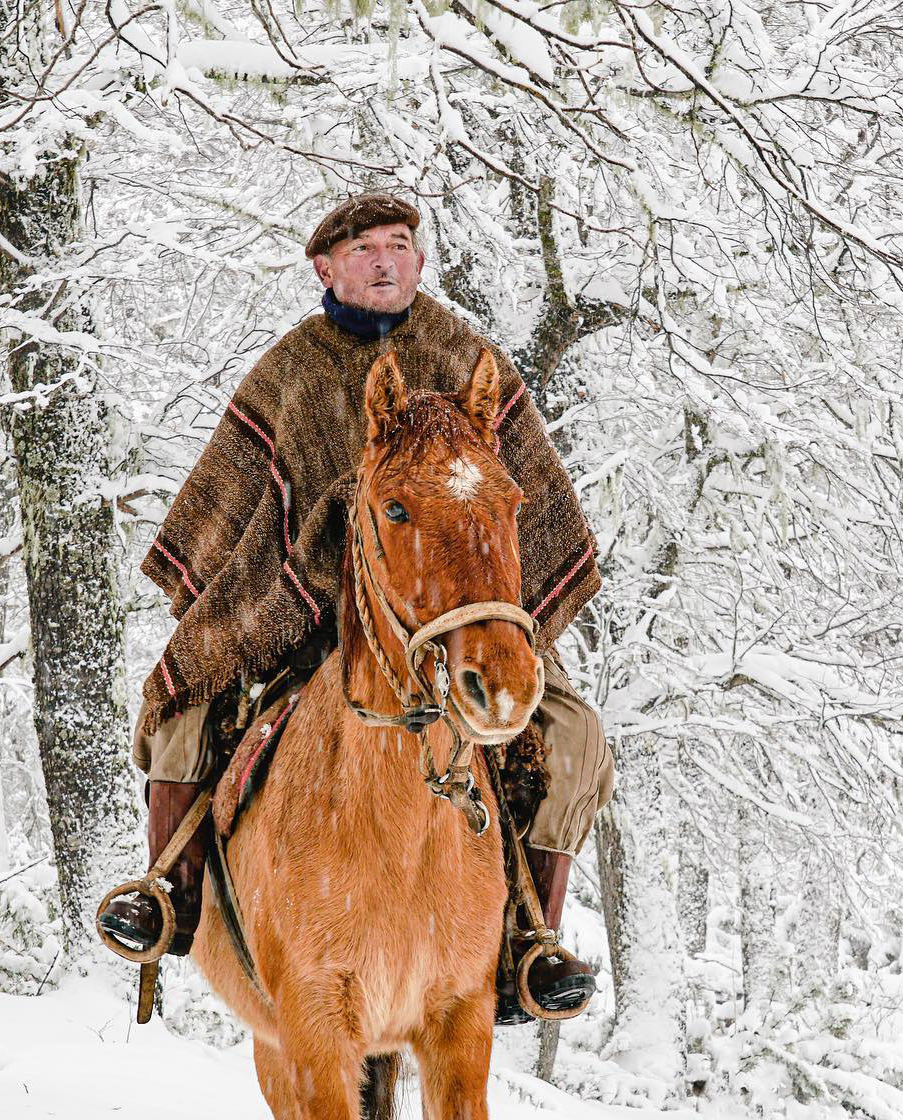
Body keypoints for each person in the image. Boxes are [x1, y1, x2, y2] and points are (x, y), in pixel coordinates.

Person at [97, 193, 613, 1024]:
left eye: (399, 246)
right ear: (326, 267)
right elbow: (229, 505)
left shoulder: (465, 357)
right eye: (365, 248)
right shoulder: (290, 372)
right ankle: (170, 896)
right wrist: (271, 598)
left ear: (418, 260)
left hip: (452, 626)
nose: (384, 262)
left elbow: (529, 503)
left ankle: (528, 939)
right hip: (302, 625)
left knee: (576, 734)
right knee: (180, 711)